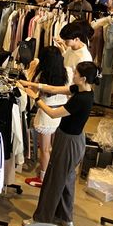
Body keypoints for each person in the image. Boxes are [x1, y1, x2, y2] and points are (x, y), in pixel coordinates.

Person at [20, 61, 99, 226]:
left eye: (76, 73)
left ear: (83, 78)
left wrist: (34, 97)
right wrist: (30, 84)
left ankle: (41, 219)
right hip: (71, 139)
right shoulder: (83, 90)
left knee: (53, 181)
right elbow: (54, 89)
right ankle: (65, 217)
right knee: (66, 179)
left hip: (69, 142)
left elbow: (53, 113)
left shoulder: (81, 99)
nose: (73, 75)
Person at [24, 47, 68, 188]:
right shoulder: (65, 72)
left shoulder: (41, 75)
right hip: (61, 112)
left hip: (46, 113)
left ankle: (43, 178)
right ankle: (52, 174)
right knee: (53, 148)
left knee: (44, 149)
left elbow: (33, 91)